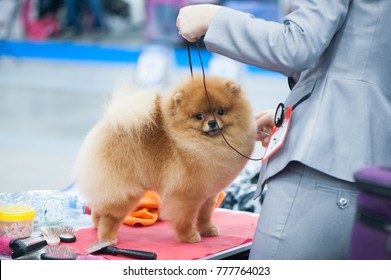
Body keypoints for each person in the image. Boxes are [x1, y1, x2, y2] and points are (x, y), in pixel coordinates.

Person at [176, 1, 391, 259]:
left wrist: (214, 19)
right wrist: (299, 112)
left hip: (322, 171)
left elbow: (297, 45)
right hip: (372, 177)